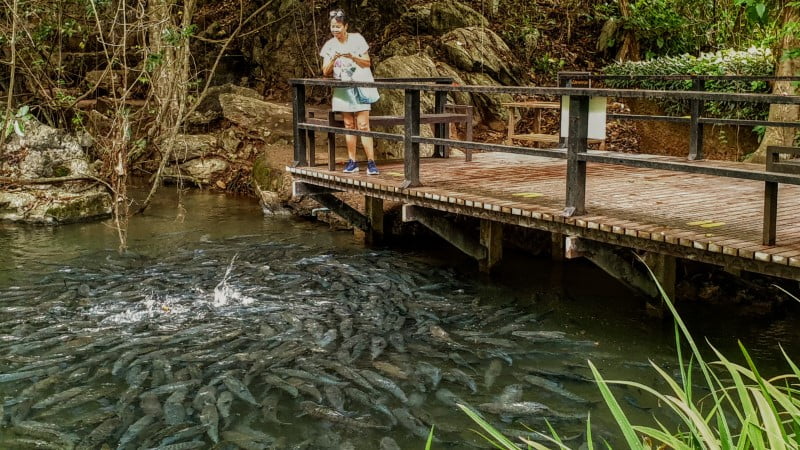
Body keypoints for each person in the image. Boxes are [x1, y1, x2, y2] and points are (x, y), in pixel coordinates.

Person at [320, 9, 379, 175]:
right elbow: (325, 71)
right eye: (333, 27)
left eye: (338, 26)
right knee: (348, 124)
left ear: (345, 26)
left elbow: (367, 62)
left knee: (363, 125)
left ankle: (371, 162)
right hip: (343, 89)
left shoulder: (357, 39)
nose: (335, 30)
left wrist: (352, 56)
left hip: (361, 86)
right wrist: (333, 58)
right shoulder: (329, 46)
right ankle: (352, 161)